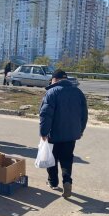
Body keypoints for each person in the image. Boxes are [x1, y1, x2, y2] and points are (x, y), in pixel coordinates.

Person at [39, 69, 88, 198]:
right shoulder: (78, 92)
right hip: (71, 134)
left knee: (52, 159)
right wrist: (80, 130)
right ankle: (67, 181)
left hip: (53, 134)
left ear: (54, 79)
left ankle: (53, 182)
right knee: (67, 159)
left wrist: (43, 132)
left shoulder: (51, 92)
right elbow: (84, 115)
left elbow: (45, 115)